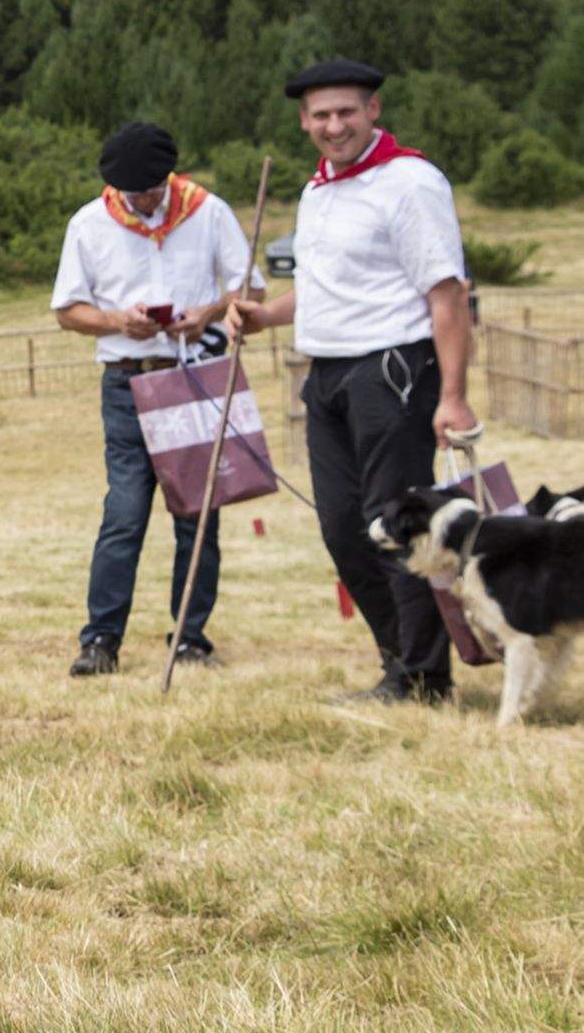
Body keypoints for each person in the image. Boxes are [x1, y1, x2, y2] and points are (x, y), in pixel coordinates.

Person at [235, 60, 475, 706]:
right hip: (326, 377)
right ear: (302, 121)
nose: (332, 125)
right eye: (320, 115)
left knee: (392, 526)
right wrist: (263, 316)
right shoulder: (316, 192)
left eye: (345, 111)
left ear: (371, 111)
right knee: (343, 529)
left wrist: (451, 394)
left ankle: (423, 677)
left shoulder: (409, 183)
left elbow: (446, 294)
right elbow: (318, 289)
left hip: (390, 374)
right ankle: (398, 662)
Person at [49, 120, 260, 677]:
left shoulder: (208, 211)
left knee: (197, 513)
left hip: (194, 377)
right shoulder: (88, 224)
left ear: (168, 176)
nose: (140, 200)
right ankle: (100, 640)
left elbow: (250, 288)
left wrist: (209, 313)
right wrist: (118, 321)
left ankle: (190, 637)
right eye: (129, 192)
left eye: (149, 189)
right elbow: (68, 310)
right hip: (126, 381)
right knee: (124, 512)